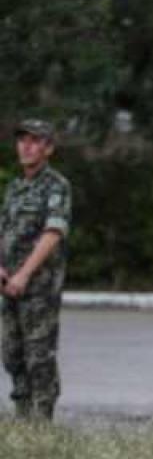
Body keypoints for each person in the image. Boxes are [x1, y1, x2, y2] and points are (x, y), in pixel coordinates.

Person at [1, 119, 72, 421]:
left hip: (39, 288)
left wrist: (24, 274)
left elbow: (53, 232)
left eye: (35, 140)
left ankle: (41, 425)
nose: (26, 146)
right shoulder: (16, 188)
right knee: (12, 354)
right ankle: (22, 417)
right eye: (22, 140)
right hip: (8, 285)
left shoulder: (56, 185)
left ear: (48, 149)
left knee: (38, 357)